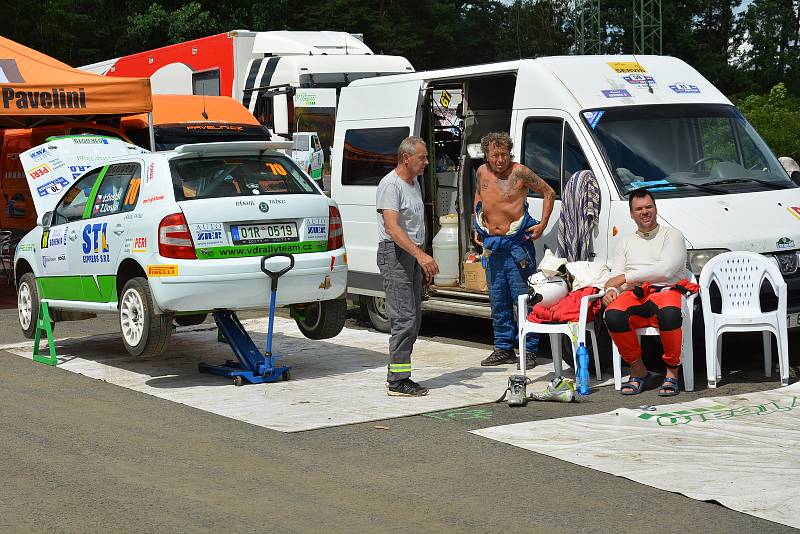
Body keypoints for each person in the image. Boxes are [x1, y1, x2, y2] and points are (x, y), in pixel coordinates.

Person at [473, 132, 555, 367]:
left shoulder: (520, 172)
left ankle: (528, 350)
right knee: (497, 299)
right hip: (492, 246)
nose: (500, 159)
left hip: (517, 246)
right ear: (487, 155)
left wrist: (542, 224)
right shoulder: (481, 172)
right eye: (495, 155)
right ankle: (503, 348)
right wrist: (476, 224)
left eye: (504, 154)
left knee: (523, 299)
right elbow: (479, 195)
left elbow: (548, 192)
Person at [603, 188, 694, 396]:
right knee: (613, 314)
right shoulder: (624, 242)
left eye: (648, 207)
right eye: (639, 209)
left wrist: (625, 278)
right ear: (631, 213)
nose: (644, 212)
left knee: (670, 313)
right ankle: (638, 370)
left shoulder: (673, 235)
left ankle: (672, 372)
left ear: (655, 209)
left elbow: (666, 270)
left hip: (666, 290)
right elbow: (614, 276)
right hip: (636, 295)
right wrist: (610, 289)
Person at [376, 136, 439, 397]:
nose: (426, 162)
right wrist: (420, 256)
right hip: (396, 255)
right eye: (422, 157)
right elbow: (393, 228)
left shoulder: (413, 183)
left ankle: (399, 374)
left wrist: (421, 258)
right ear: (406, 158)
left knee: (413, 318)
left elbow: (414, 227)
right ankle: (398, 381)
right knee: (404, 319)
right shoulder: (391, 185)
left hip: (411, 254)